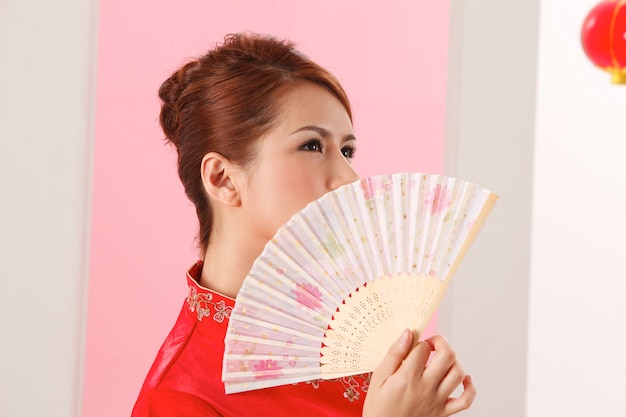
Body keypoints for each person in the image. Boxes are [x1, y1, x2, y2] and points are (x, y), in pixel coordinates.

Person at [131, 32, 475, 417]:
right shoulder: (180, 397)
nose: (349, 179)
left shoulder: (350, 338)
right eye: (312, 146)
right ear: (223, 179)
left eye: (347, 150)